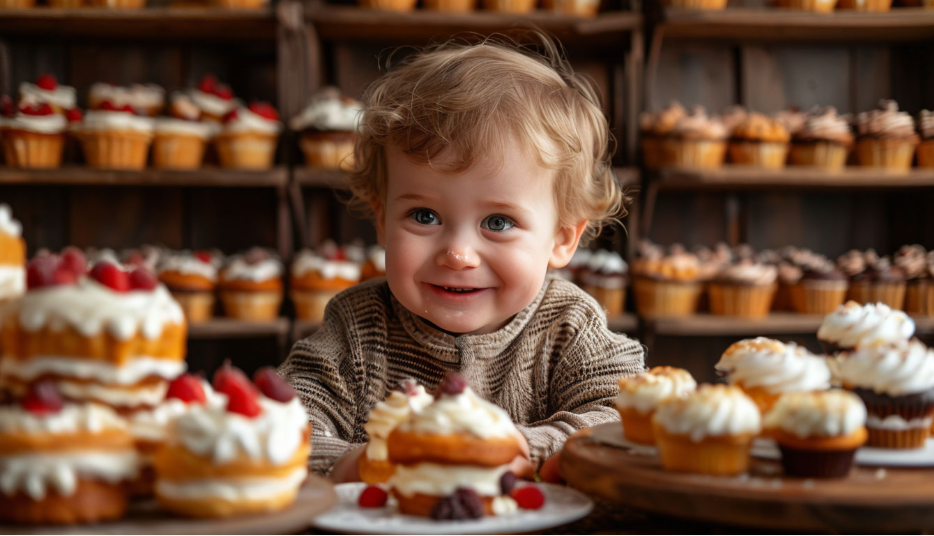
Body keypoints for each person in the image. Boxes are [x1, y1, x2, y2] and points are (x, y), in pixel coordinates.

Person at [278, 32, 645, 484]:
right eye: (424, 215)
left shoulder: (569, 326)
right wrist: (353, 464)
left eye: (497, 223)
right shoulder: (357, 326)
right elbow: (284, 425)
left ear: (561, 239)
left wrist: (528, 448)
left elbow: (622, 415)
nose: (457, 254)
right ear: (381, 219)